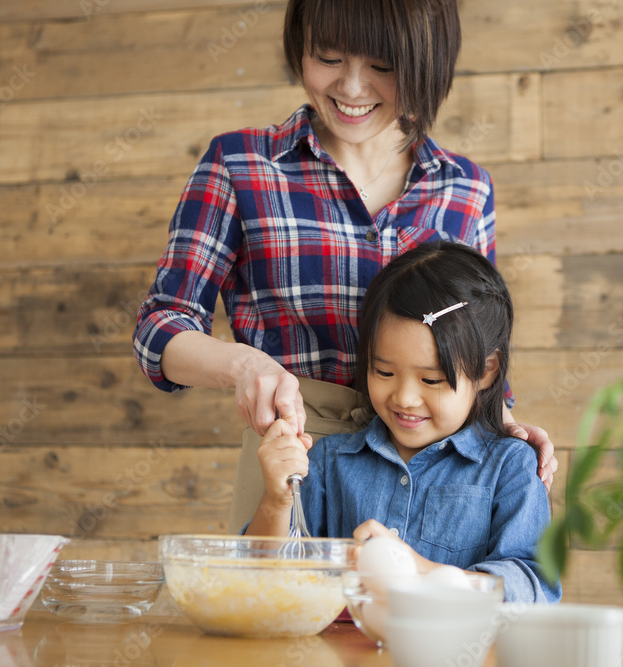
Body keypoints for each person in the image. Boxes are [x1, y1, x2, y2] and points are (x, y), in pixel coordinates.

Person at [132, 0, 558, 534]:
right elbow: (160, 328)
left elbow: (475, 336)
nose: (351, 89)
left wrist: (508, 426)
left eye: (382, 66)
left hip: (431, 475)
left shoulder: (465, 188)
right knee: (280, 613)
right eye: (328, 57)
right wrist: (247, 367)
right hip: (294, 463)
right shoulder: (240, 165)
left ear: (428, 60)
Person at [246, 242, 560, 603]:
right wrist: (276, 501)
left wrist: (424, 572)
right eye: (383, 371)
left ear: (487, 370)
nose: (404, 398)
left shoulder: (510, 467)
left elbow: (536, 585)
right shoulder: (328, 460)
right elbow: (260, 582)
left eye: (431, 380)